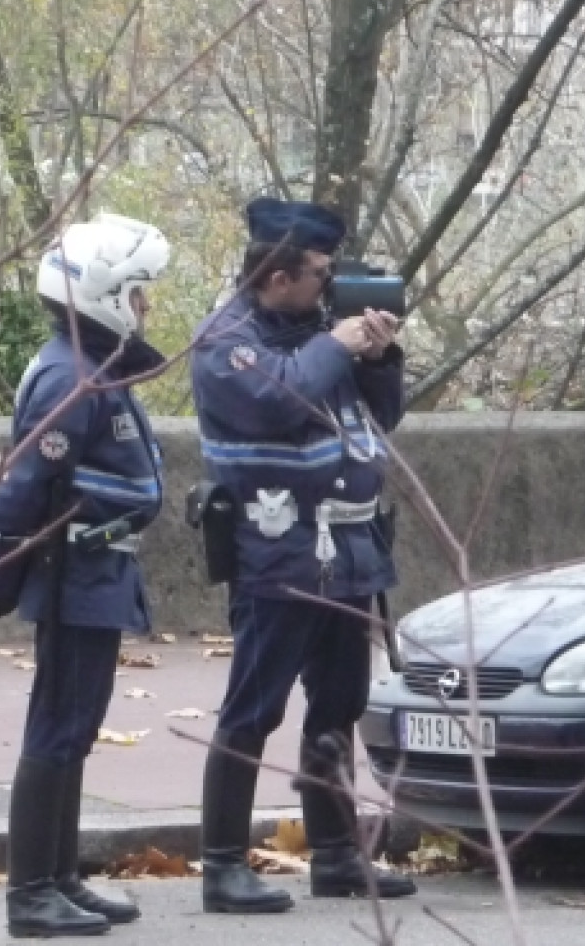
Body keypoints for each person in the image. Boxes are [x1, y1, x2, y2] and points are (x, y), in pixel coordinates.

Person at [189, 197, 417, 913]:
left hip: (349, 549)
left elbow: (380, 416)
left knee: (338, 706)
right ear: (277, 274)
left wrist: (378, 358)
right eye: (321, 273)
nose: (332, 286)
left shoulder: (323, 330)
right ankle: (223, 864)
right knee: (252, 710)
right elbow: (276, 401)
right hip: (277, 553)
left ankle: (337, 856)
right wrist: (338, 346)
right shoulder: (227, 341)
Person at [0, 212, 170, 938]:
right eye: (139, 294)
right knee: (57, 726)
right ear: (105, 295)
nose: (146, 309)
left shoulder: (94, 368)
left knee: (77, 727)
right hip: (71, 576)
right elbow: (25, 486)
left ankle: (59, 877)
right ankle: (30, 892)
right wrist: (2, 563)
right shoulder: (70, 374)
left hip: (99, 573)